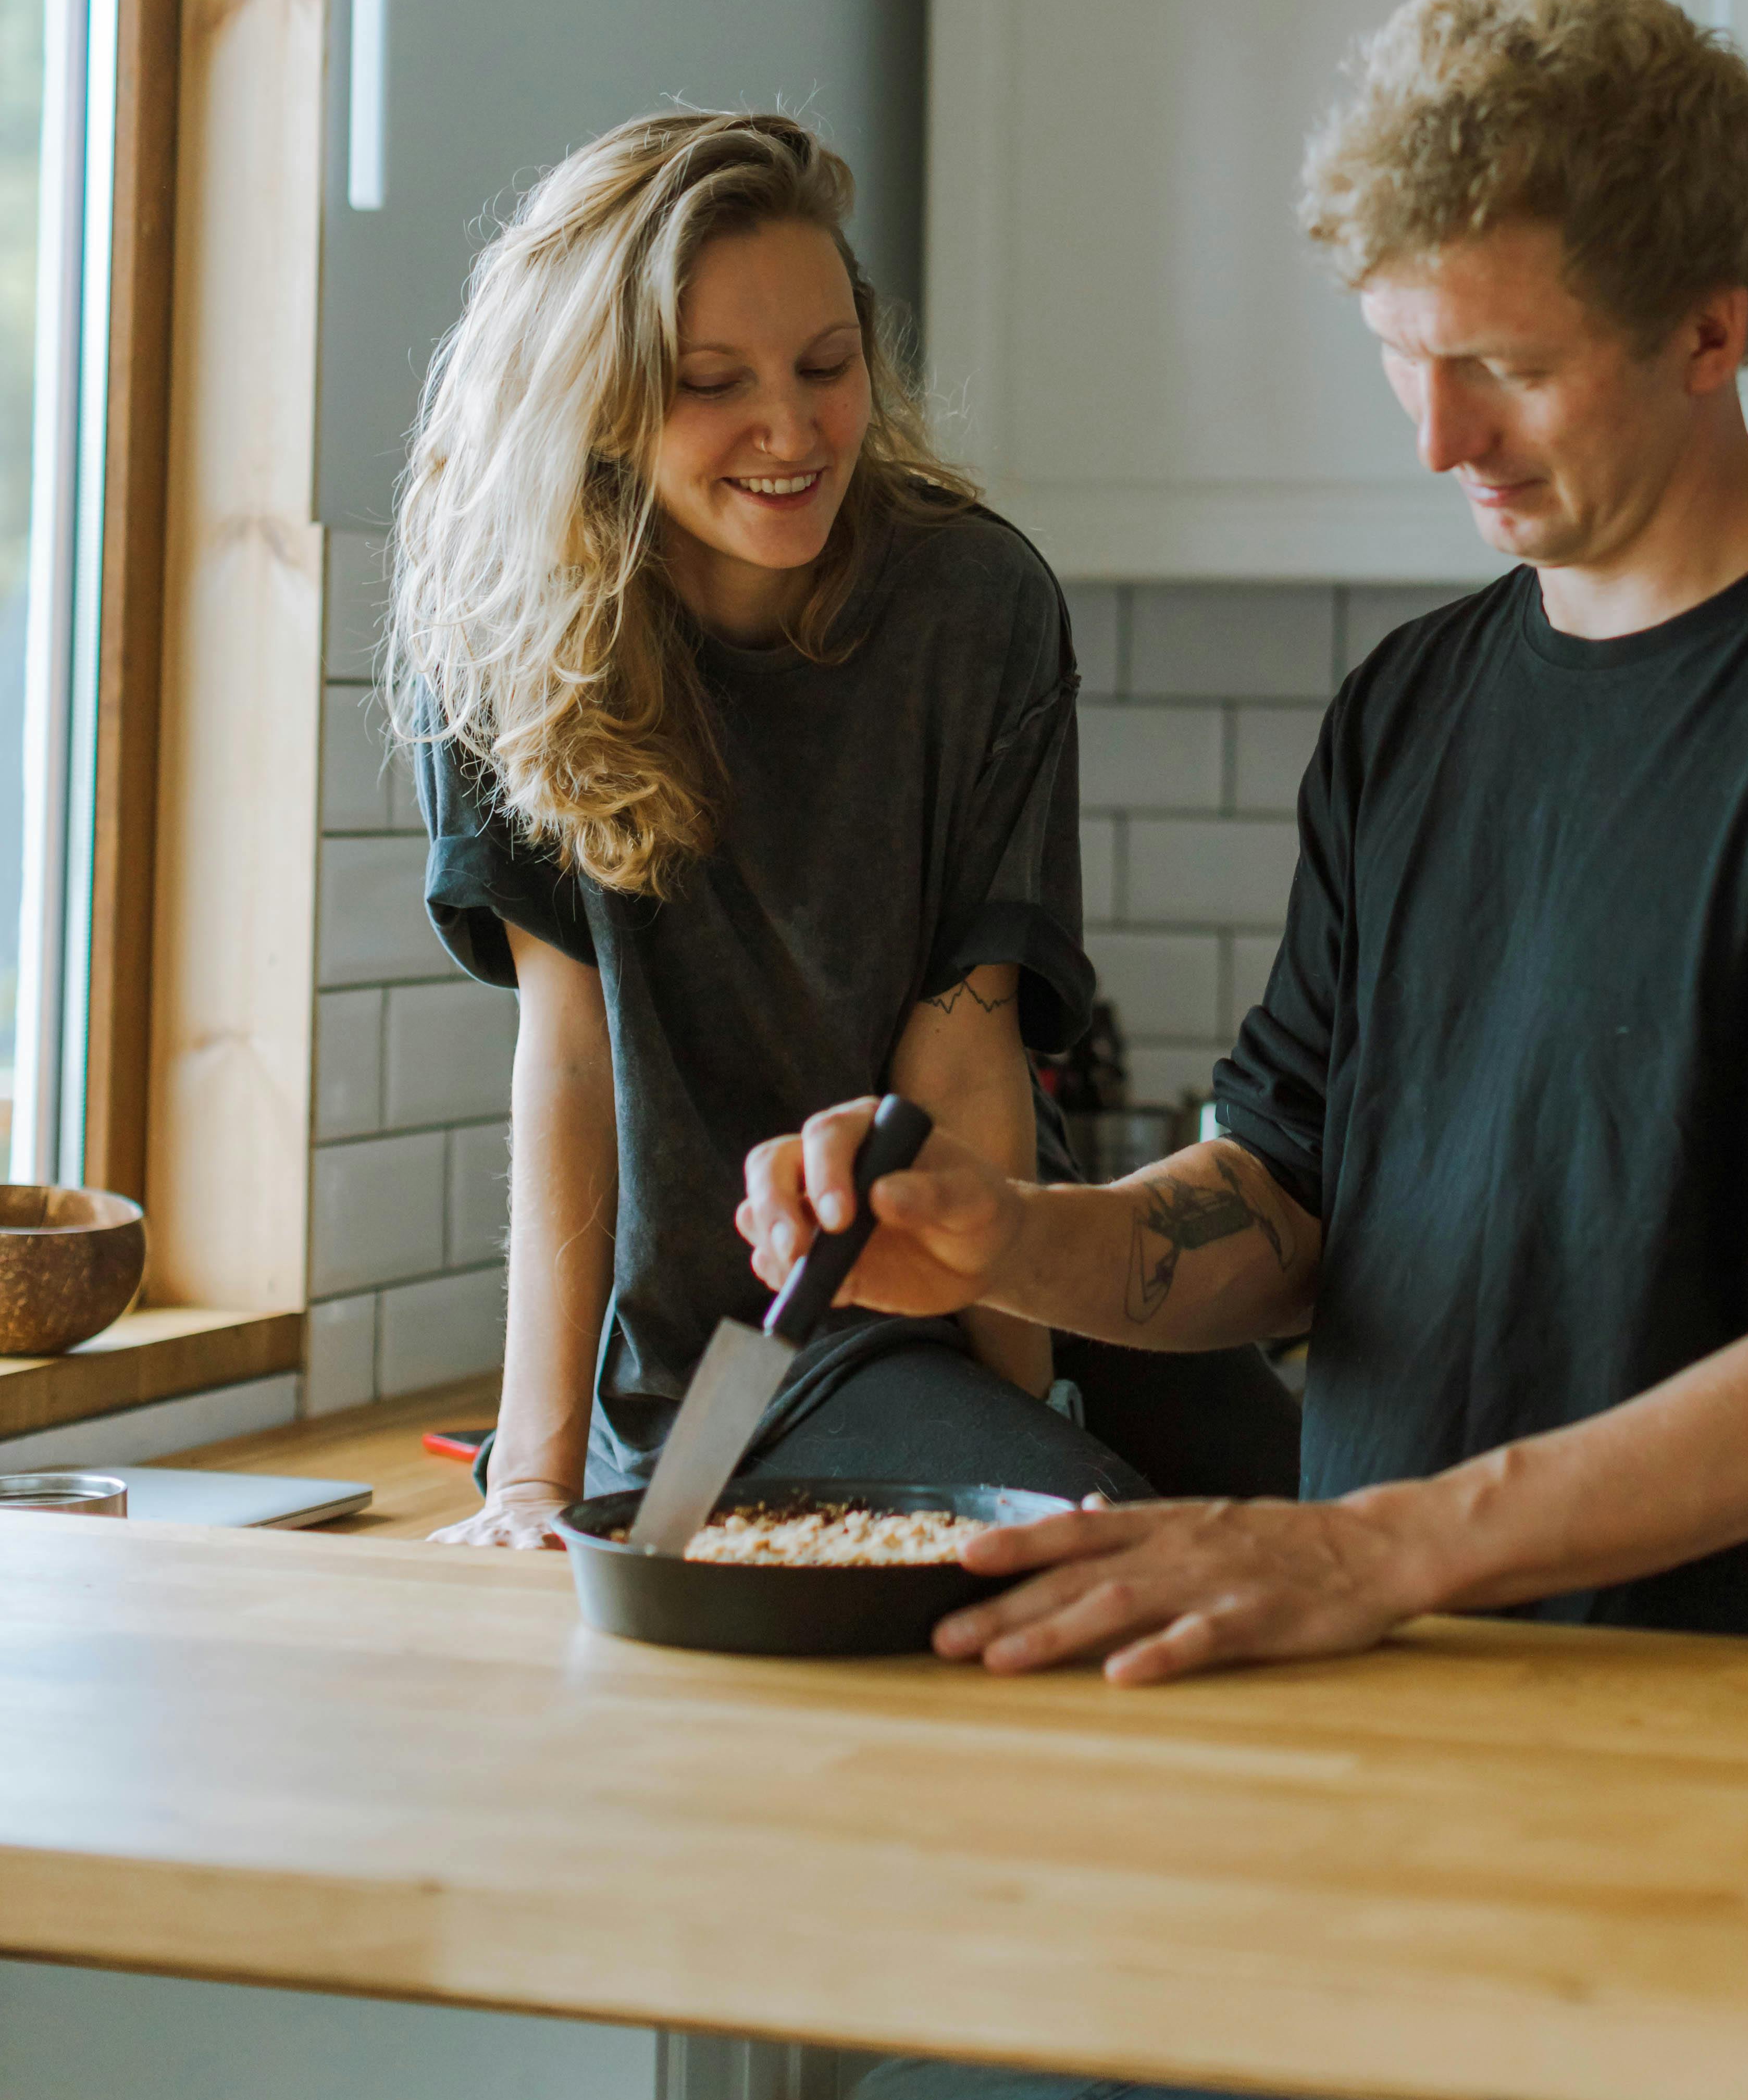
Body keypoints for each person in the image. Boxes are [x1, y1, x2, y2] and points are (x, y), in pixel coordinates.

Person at [740, 0, 1748, 1705]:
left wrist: (1370, 1545)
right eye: (1402, 356)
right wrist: (1012, 1234)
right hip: (1389, 1706)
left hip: (1743, 1756)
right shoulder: (1411, 712)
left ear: (1711, 327)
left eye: (1508, 367)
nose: (1446, 436)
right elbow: (1283, 1204)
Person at [388, 107, 1296, 1548]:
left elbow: (965, 1053)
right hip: (725, 1370)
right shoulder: (508, 642)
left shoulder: (976, 610)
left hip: (988, 1257)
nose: (795, 431)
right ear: (603, 403)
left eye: (829, 366)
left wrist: (1031, 1410)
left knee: (1332, 1503)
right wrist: (535, 1487)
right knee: (1076, 1538)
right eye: (713, 383)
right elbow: (570, 1060)